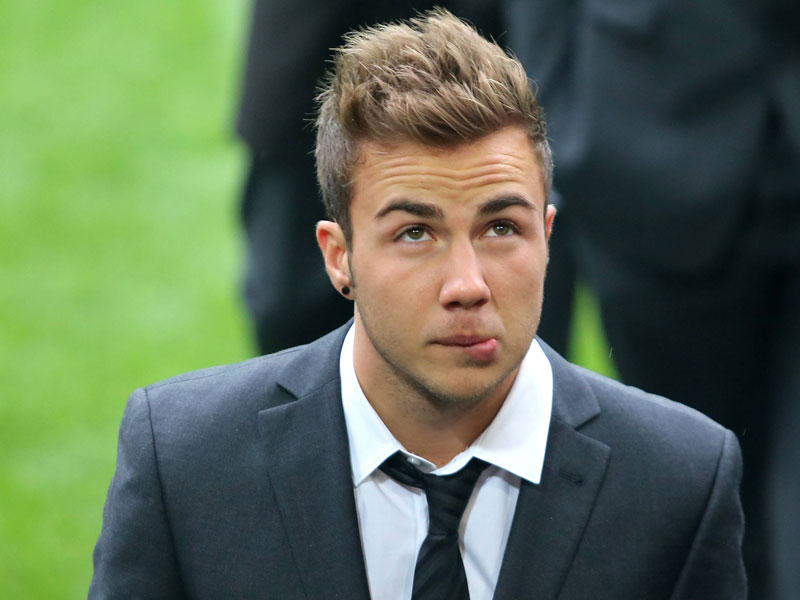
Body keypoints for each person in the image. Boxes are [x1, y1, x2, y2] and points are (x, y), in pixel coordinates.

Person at [89, 10, 746, 598]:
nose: (467, 283)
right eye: (415, 233)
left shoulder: (682, 480)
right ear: (339, 256)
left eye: (501, 228)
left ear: (548, 238)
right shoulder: (183, 462)